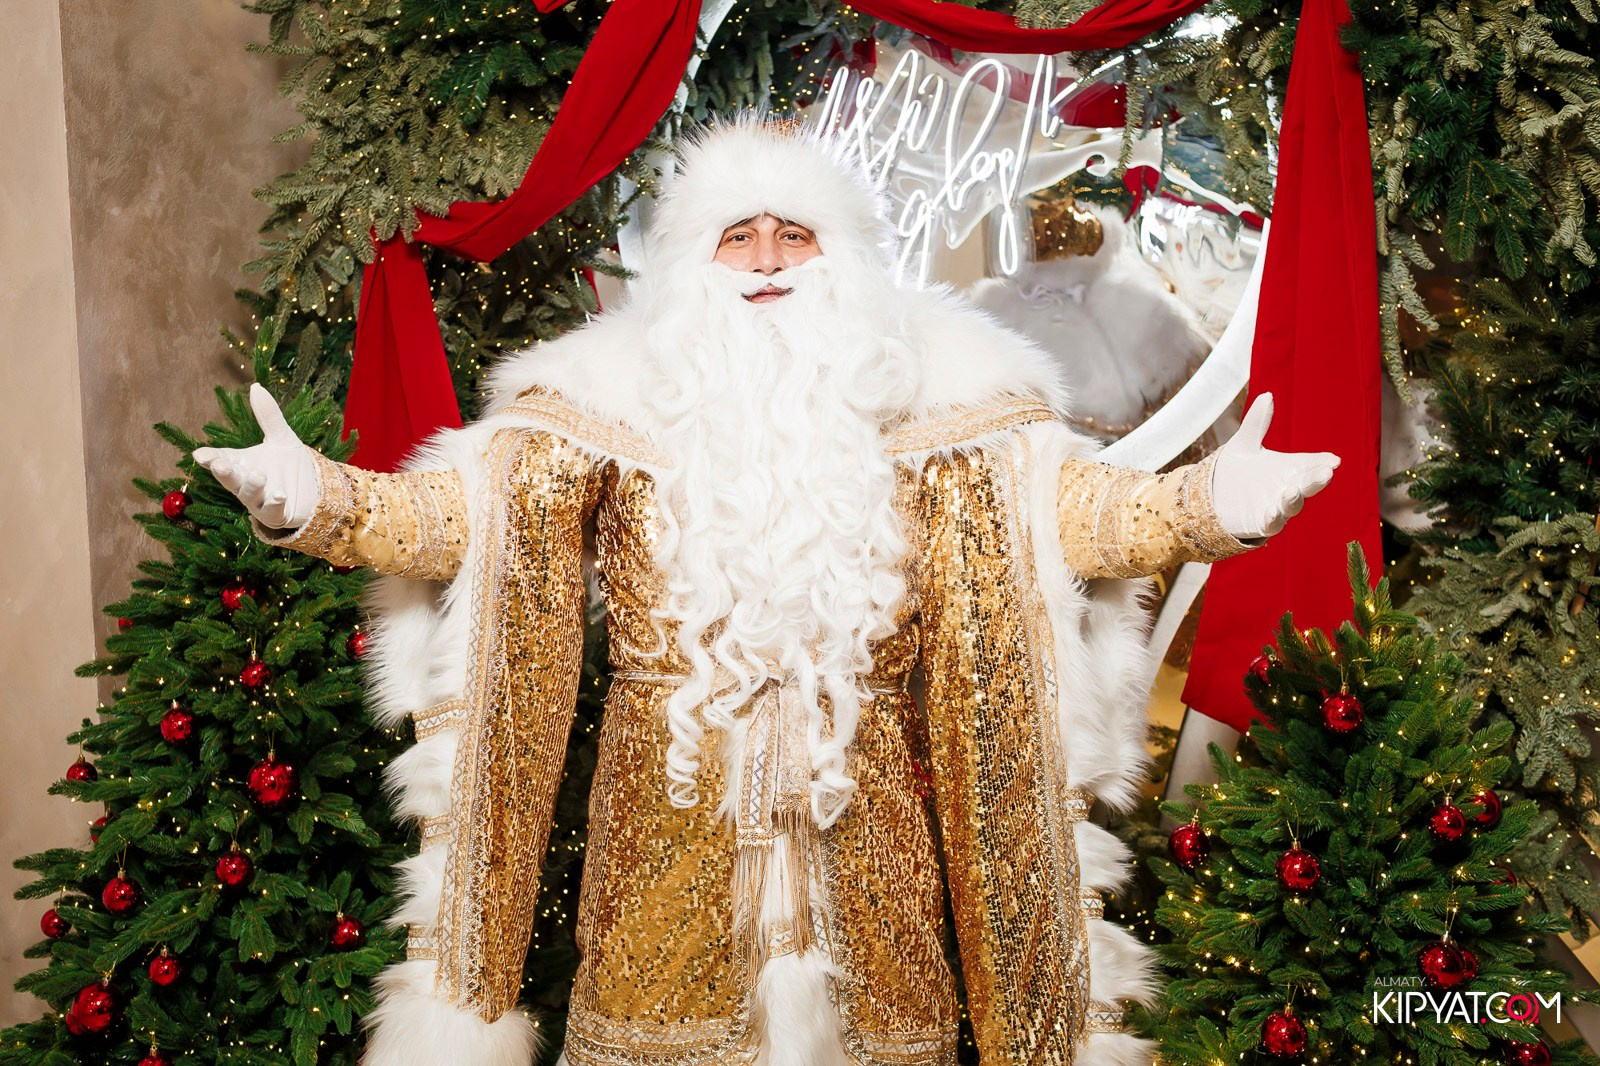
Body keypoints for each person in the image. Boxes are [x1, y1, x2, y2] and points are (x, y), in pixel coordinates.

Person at [194, 117, 1337, 1066]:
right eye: (737, 236)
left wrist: (1211, 503)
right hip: (663, 846)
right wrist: (313, 497)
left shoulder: (942, 395)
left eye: (796, 233)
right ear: (690, 264)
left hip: (870, 846)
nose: (769, 259)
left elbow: (1073, 514)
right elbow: (457, 515)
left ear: (845, 257)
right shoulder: (602, 394)